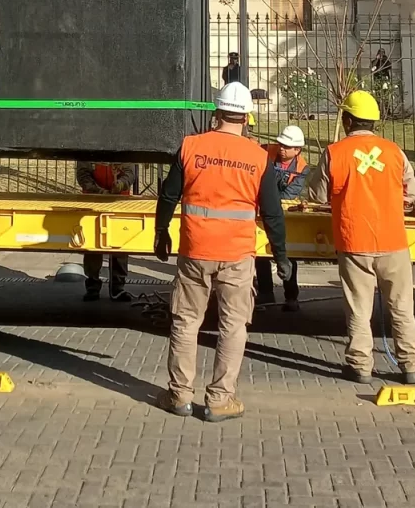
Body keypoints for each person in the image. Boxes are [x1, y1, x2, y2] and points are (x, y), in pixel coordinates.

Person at [153, 81, 290, 422]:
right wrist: (281, 255)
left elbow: (168, 195)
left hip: (195, 251)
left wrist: (161, 233)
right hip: (237, 256)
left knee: (186, 323)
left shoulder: (190, 147)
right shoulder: (259, 158)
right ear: (246, 117)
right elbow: (272, 213)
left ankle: (180, 396)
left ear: (216, 112)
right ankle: (219, 400)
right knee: (233, 326)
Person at [305, 89, 415, 385]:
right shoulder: (394, 151)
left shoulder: (335, 153)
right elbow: (411, 193)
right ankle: (411, 366)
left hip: (353, 240)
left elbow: (316, 194)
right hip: (393, 241)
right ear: (373, 122)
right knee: (402, 307)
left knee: (359, 307)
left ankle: (360, 366)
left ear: (347, 120)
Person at [255, 124, 308, 312]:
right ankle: (265, 292)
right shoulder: (265, 152)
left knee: (288, 255)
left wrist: (268, 196)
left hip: (284, 214)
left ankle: (291, 296)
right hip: (261, 212)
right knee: (260, 253)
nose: (282, 148)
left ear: (297, 150)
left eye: (286, 146)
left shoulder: (302, 168)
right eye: (280, 144)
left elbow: (290, 194)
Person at [76, 160, 136, 301]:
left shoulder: (125, 144)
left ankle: (118, 287)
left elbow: (130, 173)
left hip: (120, 202)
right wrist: (97, 190)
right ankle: (92, 285)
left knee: (120, 246)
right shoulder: (88, 146)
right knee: (92, 245)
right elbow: (83, 174)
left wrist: (120, 184)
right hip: (92, 202)